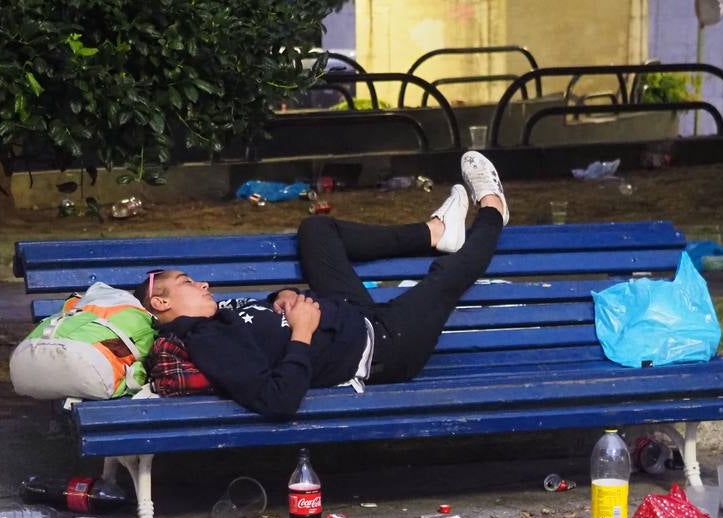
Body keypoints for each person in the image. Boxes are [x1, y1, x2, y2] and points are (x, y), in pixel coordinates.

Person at [137, 151, 509, 420]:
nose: (203, 284)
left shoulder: (216, 318)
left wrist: (280, 297)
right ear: (161, 302)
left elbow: (260, 323)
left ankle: (436, 232)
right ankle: (493, 208)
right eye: (187, 282)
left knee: (317, 229)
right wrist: (301, 332)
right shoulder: (208, 342)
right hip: (384, 346)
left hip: (346, 311)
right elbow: (276, 400)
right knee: (446, 278)